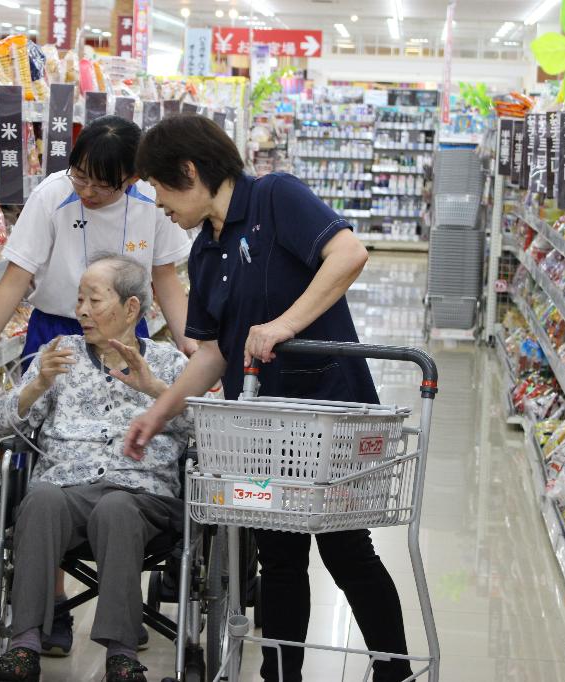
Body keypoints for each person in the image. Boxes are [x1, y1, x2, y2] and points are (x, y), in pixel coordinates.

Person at [124, 114, 414, 682]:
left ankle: (392, 668)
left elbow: (348, 254)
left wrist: (284, 324)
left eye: (159, 187)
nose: (158, 204)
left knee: (346, 548)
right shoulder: (204, 252)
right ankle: (281, 675)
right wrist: (157, 412)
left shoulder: (275, 196)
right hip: (260, 426)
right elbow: (213, 353)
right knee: (277, 558)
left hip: (329, 410)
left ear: (190, 171)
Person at [0, 115, 193, 654]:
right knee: (45, 461)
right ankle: (47, 610)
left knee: (134, 451)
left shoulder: (151, 201)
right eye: (82, 177)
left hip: (128, 327)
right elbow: (15, 280)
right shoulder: (53, 194)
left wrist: (194, 354)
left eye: (105, 183)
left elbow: (166, 276)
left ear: (130, 178)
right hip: (57, 327)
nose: (90, 191)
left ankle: (125, 612)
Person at [0, 255, 191, 682]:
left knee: (117, 509)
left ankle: (122, 654)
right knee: (39, 499)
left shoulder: (170, 364)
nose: (81, 311)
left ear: (131, 308)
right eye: (79, 300)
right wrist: (37, 384)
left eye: (94, 300)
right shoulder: (58, 356)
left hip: (142, 496)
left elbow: (209, 436)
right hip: (66, 489)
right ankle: (23, 646)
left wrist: (156, 390)